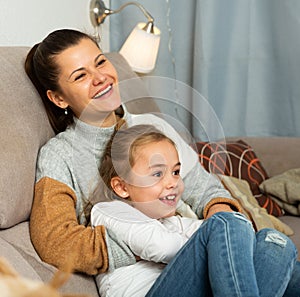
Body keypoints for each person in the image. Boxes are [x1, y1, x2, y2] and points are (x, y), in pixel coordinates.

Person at [24, 28, 299, 296]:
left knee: (276, 244)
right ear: (58, 97)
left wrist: (223, 240)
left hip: (198, 253)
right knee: (234, 229)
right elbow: (55, 239)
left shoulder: (153, 127)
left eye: (100, 62)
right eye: (81, 75)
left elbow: (207, 191)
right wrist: (136, 242)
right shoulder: (59, 156)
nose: (100, 78)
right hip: (157, 276)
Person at [91, 123, 298, 297]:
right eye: (157, 174)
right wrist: (215, 241)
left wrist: (220, 242)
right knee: (225, 222)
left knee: (275, 243)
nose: (173, 182)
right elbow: (161, 246)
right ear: (122, 187)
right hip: (153, 293)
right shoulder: (109, 211)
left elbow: (239, 242)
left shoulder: (173, 222)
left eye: (175, 172)